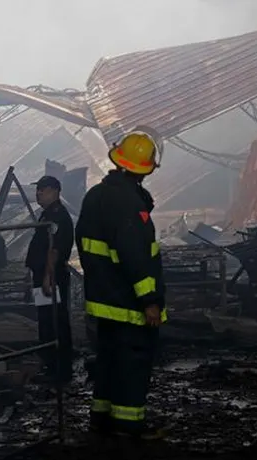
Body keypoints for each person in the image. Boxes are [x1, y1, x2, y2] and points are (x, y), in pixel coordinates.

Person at [75, 132, 168, 440]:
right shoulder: (128, 203)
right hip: (128, 303)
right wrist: (150, 300)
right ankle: (129, 426)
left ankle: (101, 419)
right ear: (145, 169)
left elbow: (90, 249)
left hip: (104, 300)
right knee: (132, 363)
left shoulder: (95, 196)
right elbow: (135, 256)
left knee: (109, 361)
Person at [25, 176, 74, 383]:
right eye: (38, 189)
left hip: (52, 277)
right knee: (46, 320)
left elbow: (55, 250)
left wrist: (48, 277)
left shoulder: (58, 216)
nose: (38, 193)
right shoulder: (47, 214)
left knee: (55, 321)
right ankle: (51, 367)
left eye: (43, 190)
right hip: (44, 275)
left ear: (55, 191)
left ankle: (60, 371)